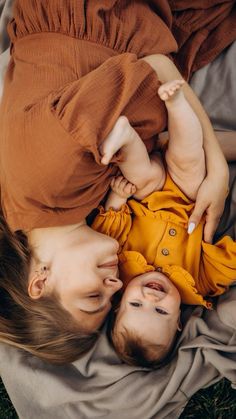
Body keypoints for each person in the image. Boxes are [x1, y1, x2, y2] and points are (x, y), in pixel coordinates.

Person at [0, 0, 229, 364]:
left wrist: (218, 172)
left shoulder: (52, 179)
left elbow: (156, 67)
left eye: (93, 298)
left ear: (40, 282)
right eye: (113, 303)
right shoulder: (63, 210)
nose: (118, 286)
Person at [92, 80, 236, 368]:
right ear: (179, 323)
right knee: (189, 159)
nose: (151, 297)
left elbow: (108, 232)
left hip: (149, 193)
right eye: (160, 312)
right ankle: (177, 104)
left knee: (138, 173)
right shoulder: (198, 288)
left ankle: (124, 137)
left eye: (136, 305)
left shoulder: (120, 270)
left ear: (119, 303)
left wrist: (117, 200)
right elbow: (225, 267)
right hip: (189, 198)